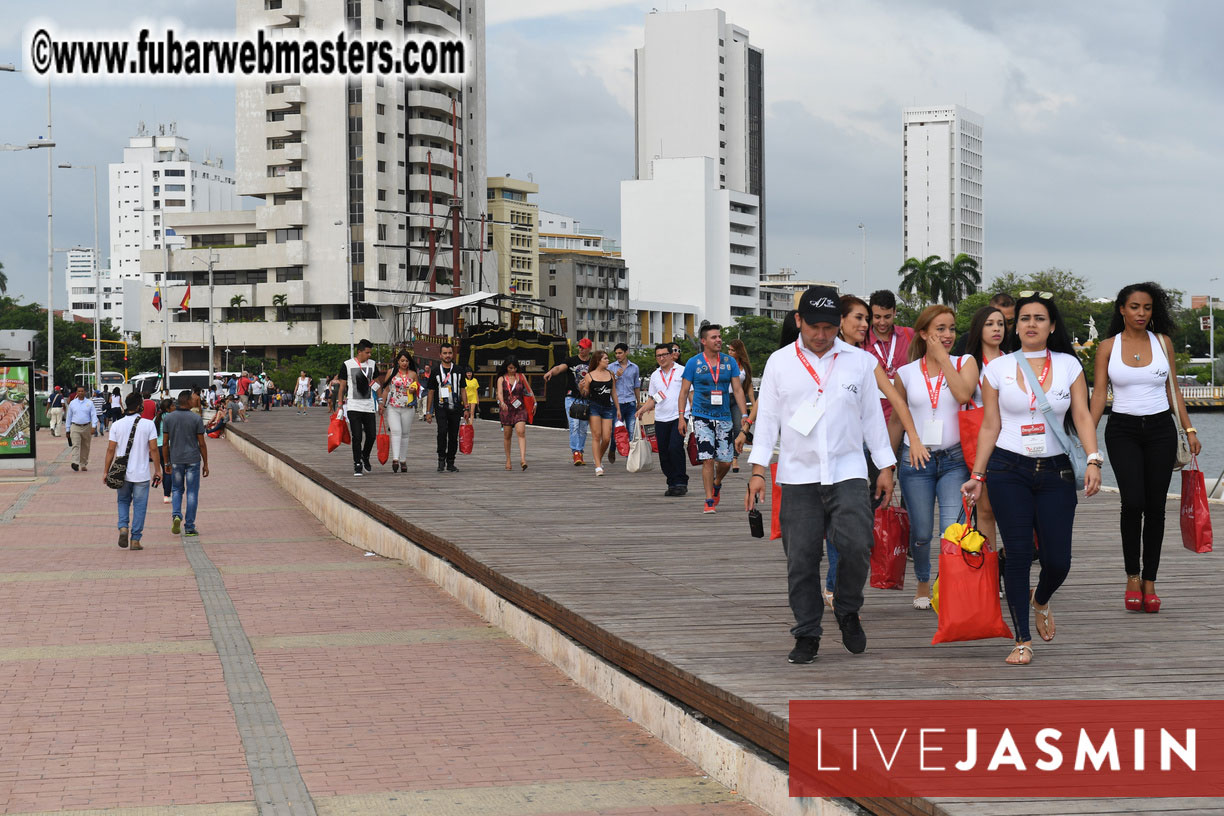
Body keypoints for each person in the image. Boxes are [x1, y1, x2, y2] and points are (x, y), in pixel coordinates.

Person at [745, 285, 896, 663]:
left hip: (848, 471)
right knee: (801, 559)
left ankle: (847, 607)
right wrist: (758, 470)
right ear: (799, 321)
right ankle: (807, 631)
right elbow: (768, 421)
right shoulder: (779, 362)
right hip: (798, 475)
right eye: (814, 326)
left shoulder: (859, 363)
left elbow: (872, 419)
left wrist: (886, 467)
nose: (822, 334)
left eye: (829, 327)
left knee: (858, 545)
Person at [962, 292, 1102, 665]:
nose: (1031, 324)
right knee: (1019, 553)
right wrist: (978, 473)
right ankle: (1021, 639)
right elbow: (991, 424)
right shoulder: (998, 369)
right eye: (1023, 318)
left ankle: (1040, 599)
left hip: (1055, 470)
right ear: (1015, 326)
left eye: (1039, 318)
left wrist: (1093, 459)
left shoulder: (1069, 365)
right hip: (1009, 469)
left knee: (1058, 561)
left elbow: (1083, 417)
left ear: (1051, 326)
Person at [1090, 282, 1199, 613]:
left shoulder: (1163, 343)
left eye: (1147, 308)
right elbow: (1097, 395)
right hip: (1122, 429)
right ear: (1122, 309)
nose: (1141, 313)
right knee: (1132, 501)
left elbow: (1173, 391)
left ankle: (1150, 581)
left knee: (1155, 507)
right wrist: (1087, 441)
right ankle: (1132, 576)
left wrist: (1190, 428)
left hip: (1161, 430)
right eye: (1134, 307)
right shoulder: (1107, 347)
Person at [888, 305, 978, 609]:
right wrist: (887, 465)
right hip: (916, 460)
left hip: (954, 459)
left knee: (952, 529)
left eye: (952, 328)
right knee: (922, 531)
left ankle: (947, 582)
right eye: (940, 329)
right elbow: (898, 420)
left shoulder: (965, 362)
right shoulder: (905, 373)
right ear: (924, 333)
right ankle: (924, 580)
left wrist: (943, 360)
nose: (948, 334)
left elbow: (964, 395)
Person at [677, 323, 747, 514]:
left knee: (724, 461)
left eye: (719, 337)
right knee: (707, 459)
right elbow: (683, 392)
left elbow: (738, 390)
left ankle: (717, 483)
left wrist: (745, 415)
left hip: (724, 416)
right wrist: (682, 417)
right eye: (714, 337)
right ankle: (709, 499)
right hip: (701, 416)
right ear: (704, 341)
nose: (719, 340)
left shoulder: (729, 362)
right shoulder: (694, 363)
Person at [961, 305, 1010, 548]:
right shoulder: (969, 362)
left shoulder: (1012, 360)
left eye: (1000, 324)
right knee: (986, 509)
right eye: (990, 324)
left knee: (1011, 509)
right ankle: (990, 576)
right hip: (980, 435)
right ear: (979, 328)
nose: (996, 329)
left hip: (1009, 436)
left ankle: (1006, 563)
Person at [103, 391, 162, 551]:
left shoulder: (116, 425)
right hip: (141, 474)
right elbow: (154, 449)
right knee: (139, 506)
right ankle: (135, 540)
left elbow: (110, 450)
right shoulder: (148, 424)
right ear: (139, 406)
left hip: (122, 473)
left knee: (122, 501)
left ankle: (123, 527)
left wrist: (106, 471)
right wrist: (158, 470)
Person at [637, 343, 689, 496]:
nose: (661, 358)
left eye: (664, 355)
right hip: (660, 417)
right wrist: (642, 409)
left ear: (671, 354)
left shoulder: (682, 371)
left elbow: (689, 393)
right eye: (658, 356)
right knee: (664, 452)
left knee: (675, 448)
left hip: (678, 416)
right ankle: (671, 482)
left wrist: (691, 415)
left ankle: (681, 481)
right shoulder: (655, 375)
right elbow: (654, 398)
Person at [162, 389, 209, 537]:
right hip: (193, 460)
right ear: (187, 401)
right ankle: (189, 526)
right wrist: (206, 463)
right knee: (192, 492)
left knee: (176, 490)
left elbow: (165, 444)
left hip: (176, 460)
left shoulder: (168, 418)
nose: (195, 401)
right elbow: (202, 444)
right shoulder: (196, 419)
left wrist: (166, 463)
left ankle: (176, 515)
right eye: (193, 399)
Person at [865, 290, 916, 422]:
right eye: (877, 317)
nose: (882, 322)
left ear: (894, 312)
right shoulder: (862, 341)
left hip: (904, 417)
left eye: (887, 317)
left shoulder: (909, 335)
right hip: (872, 418)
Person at [543, 337, 594, 465]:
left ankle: (580, 452)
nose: (580, 349)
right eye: (579, 347)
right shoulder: (571, 360)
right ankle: (575, 452)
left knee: (583, 427)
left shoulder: (593, 363)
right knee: (574, 424)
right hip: (571, 397)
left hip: (587, 398)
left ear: (589, 349)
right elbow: (560, 368)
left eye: (583, 347)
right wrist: (551, 372)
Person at [334, 339, 380, 478]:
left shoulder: (372, 365)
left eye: (370, 352)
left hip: (369, 405)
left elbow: (377, 384)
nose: (369, 355)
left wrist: (381, 401)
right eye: (367, 352)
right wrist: (340, 405)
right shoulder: (347, 365)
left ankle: (365, 456)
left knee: (371, 435)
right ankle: (357, 463)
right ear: (359, 352)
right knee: (357, 436)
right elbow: (342, 387)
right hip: (353, 405)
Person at [424, 342, 466, 473]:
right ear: (440, 355)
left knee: (453, 435)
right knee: (442, 432)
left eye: (450, 353)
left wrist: (467, 408)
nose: (448, 356)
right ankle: (441, 459)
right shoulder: (436, 372)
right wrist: (428, 411)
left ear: (453, 354)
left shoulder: (459, 370)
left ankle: (451, 461)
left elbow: (463, 389)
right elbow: (430, 392)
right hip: (441, 407)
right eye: (445, 353)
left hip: (456, 407)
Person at [578, 350, 619, 475]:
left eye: (607, 358)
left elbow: (613, 393)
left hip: (607, 407)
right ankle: (597, 466)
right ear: (598, 361)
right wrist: (581, 387)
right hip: (594, 407)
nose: (608, 361)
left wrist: (618, 409)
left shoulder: (610, 374)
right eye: (605, 359)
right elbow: (585, 394)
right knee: (597, 436)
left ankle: (598, 458)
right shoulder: (589, 375)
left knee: (607, 437)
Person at [382, 351, 420, 474]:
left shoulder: (413, 374)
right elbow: (386, 389)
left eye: (407, 361)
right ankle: (395, 459)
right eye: (402, 360)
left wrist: (414, 389)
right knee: (396, 431)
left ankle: (403, 460)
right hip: (393, 406)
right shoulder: (391, 372)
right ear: (398, 361)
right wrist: (382, 404)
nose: (404, 363)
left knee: (405, 433)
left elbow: (417, 389)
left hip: (407, 407)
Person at [496, 356, 534, 471]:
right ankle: (508, 460)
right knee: (507, 435)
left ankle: (523, 459)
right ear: (506, 368)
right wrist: (501, 402)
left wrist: (534, 403)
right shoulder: (502, 379)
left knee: (521, 431)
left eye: (514, 368)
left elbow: (529, 390)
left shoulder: (521, 377)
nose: (512, 370)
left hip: (520, 408)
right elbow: (500, 393)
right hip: (507, 409)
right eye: (510, 368)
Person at [725, 338, 755, 474]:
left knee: (738, 427)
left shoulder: (745, 366)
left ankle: (735, 458)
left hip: (738, 399)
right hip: (724, 398)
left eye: (732, 350)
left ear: (739, 352)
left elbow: (748, 386)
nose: (730, 352)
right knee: (725, 428)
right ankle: (723, 457)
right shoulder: (725, 363)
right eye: (729, 349)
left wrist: (754, 404)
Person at [609, 342, 642, 443]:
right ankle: (612, 449)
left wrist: (638, 402)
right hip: (616, 403)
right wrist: (617, 376)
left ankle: (630, 457)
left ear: (626, 352)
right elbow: (609, 385)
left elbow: (636, 386)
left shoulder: (634, 367)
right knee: (615, 431)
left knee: (631, 431)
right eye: (616, 353)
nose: (618, 355)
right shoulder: (611, 367)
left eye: (620, 353)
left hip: (630, 402)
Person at [66, 385, 98, 471]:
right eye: (79, 391)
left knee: (85, 446)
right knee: (75, 445)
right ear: (76, 393)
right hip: (75, 426)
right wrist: (67, 429)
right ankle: (75, 462)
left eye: (82, 391)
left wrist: (94, 426)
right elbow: (68, 416)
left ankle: (83, 463)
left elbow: (93, 415)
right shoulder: (72, 403)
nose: (80, 393)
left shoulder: (89, 403)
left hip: (87, 426)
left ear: (85, 392)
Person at [155, 398, 174, 504]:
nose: (175, 408)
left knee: (165, 470)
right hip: (168, 447)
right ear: (168, 408)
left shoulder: (156, 418)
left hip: (158, 448)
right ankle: (168, 494)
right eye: (172, 406)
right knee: (170, 471)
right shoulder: (171, 418)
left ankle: (166, 494)